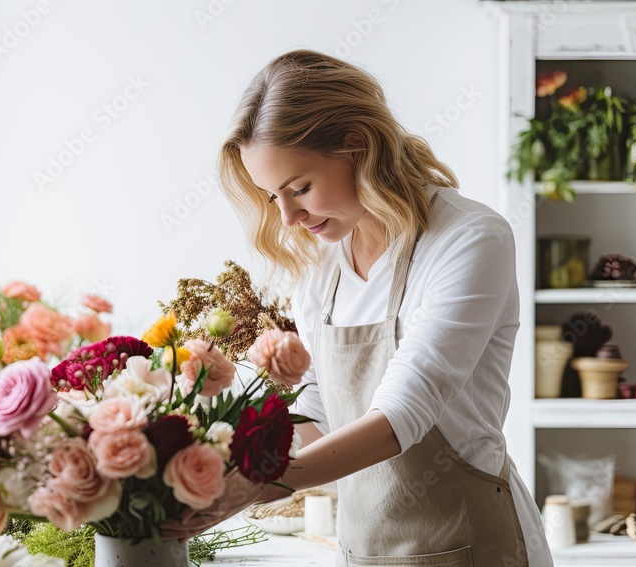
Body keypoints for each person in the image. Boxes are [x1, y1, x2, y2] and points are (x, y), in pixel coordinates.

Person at [161, 50, 553, 566]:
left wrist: (257, 484)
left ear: (358, 145)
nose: (288, 217)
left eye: (300, 188)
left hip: (474, 542)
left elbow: (402, 413)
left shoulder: (467, 239)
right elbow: (320, 412)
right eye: (272, 195)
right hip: (366, 548)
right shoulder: (320, 271)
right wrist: (227, 459)